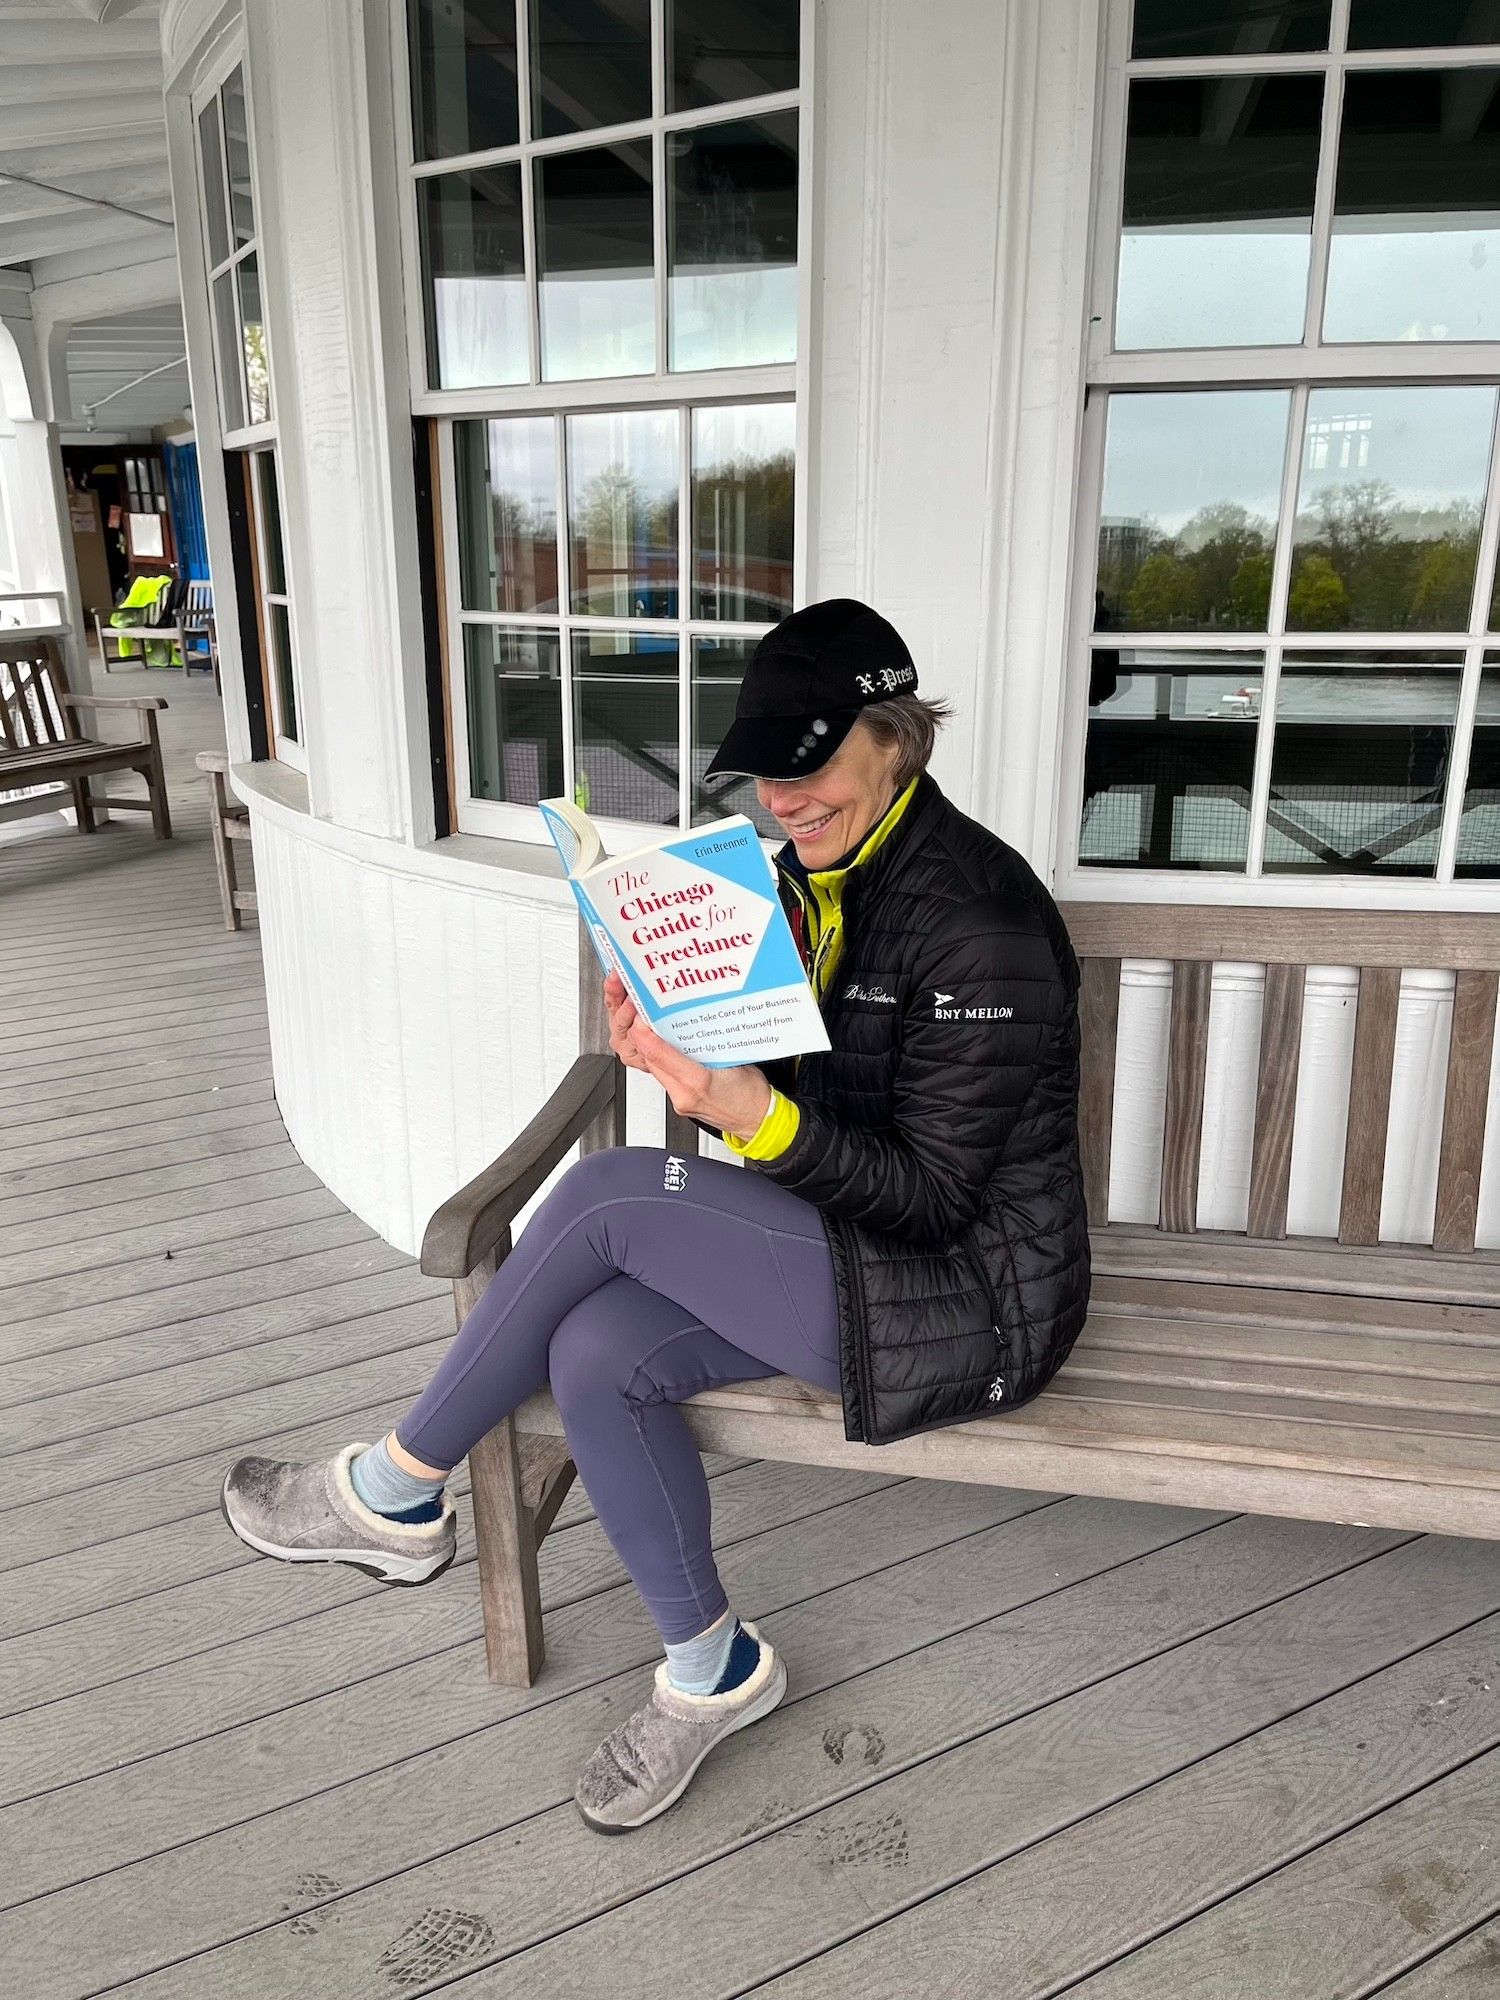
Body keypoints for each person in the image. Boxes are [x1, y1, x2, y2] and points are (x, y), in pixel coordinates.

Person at [220, 597, 1090, 1833]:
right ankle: (714, 1666)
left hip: (970, 1296)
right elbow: (812, 1086)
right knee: (594, 1350)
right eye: (764, 777)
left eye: (809, 767)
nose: (781, 801)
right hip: (850, 1249)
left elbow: (939, 1201)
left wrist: (748, 1114)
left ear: (894, 739)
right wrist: (689, 1046)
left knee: (613, 1190)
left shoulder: (980, 922)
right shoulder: (815, 876)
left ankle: (391, 1493)